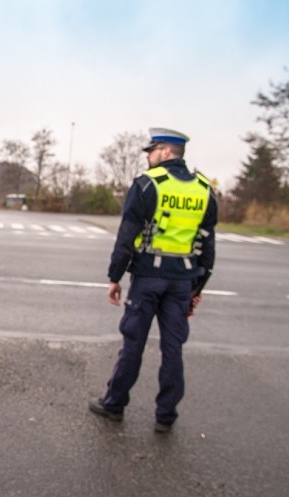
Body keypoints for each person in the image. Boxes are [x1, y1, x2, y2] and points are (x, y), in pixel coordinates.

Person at [88, 127, 217, 432]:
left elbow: (126, 236)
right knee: (173, 347)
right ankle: (166, 416)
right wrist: (199, 286)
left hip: (148, 278)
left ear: (167, 152)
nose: (148, 156)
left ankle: (114, 405)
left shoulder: (148, 184)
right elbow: (208, 243)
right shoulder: (204, 188)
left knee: (134, 343)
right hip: (183, 280)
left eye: (152, 150)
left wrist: (114, 277)